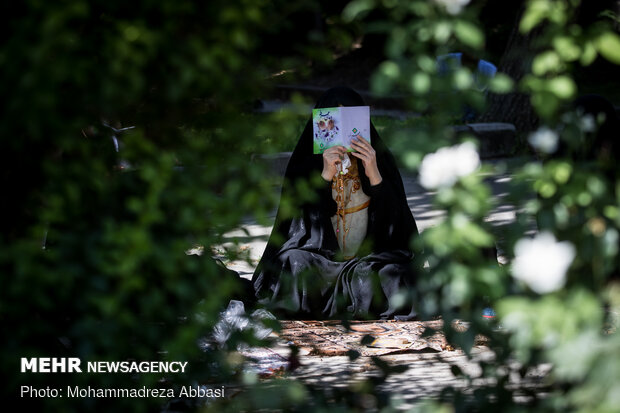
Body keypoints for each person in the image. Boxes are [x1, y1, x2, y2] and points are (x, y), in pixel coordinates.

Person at [251, 86, 421, 320]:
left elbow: (397, 224)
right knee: (292, 263)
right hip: (323, 264)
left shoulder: (376, 158)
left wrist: (374, 174)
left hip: (367, 262)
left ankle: (346, 299)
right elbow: (295, 224)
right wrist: (324, 177)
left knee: (396, 273)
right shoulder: (307, 162)